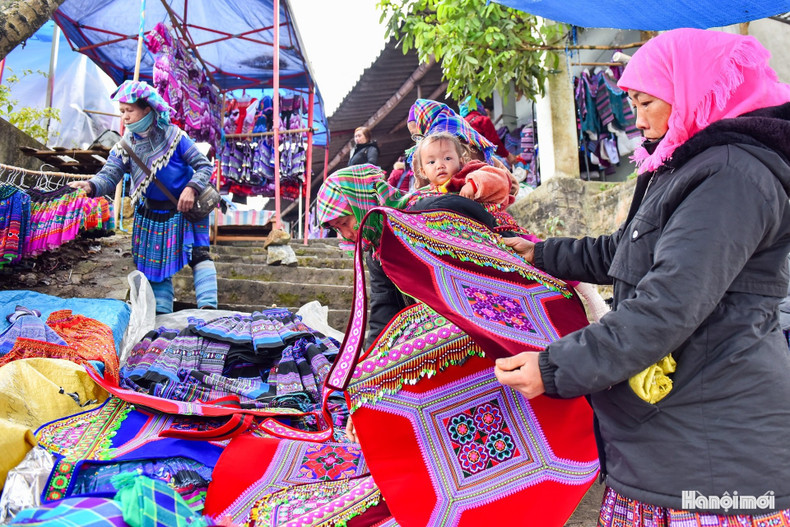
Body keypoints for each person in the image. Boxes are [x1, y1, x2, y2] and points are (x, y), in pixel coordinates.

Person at [494, 28, 790, 524]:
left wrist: (555, 368)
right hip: (674, 429)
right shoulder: (686, 165)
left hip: (714, 444)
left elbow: (667, 304)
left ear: (693, 90)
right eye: (631, 103)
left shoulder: (732, 176)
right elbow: (627, 250)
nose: (637, 117)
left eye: (647, 102)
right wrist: (541, 253)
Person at [69, 80, 217, 315]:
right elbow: (109, 175)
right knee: (156, 267)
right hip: (152, 212)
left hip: (188, 207)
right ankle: (163, 318)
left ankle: (209, 312)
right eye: (122, 111)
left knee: (199, 255)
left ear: (147, 109)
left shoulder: (175, 136)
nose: (125, 117)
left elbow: (204, 166)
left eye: (129, 110)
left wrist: (191, 188)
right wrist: (89, 185)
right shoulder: (124, 146)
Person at [412, 131, 514, 208]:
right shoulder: (427, 193)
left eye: (447, 158)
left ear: (461, 162)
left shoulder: (468, 172)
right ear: (423, 172)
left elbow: (500, 178)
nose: (440, 165)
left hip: (488, 223)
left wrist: (473, 185)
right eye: (432, 162)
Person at [459, 96, 517, 166]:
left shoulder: (459, 124)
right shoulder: (483, 120)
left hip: (463, 162)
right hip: (480, 161)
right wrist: (507, 155)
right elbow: (494, 142)